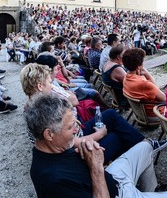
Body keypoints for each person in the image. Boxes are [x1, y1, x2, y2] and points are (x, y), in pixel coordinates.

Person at [27, 94, 167, 198]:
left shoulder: (53, 149)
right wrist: (96, 166)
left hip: (112, 179)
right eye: (71, 127)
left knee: (145, 147)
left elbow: (77, 171)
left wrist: (87, 152)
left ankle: (150, 194)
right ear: (49, 134)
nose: (77, 130)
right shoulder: (52, 181)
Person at [20, 63, 149, 162]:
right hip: (74, 152)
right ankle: (143, 152)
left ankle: (143, 148)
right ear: (39, 86)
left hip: (74, 138)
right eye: (49, 82)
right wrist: (99, 134)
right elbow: (72, 142)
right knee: (118, 136)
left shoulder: (34, 106)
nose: (52, 85)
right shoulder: (45, 111)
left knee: (110, 115)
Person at [122, 48, 165, 118]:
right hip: (154, 115)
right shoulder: (143, 83)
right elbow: (164, 99)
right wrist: (148, 74)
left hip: (140, 114)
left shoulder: (126, 78)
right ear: (139, 66)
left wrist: (145, 74)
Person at [101, 44, 127, 109]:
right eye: (124, 55)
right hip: (125, 100)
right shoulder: (116, 69)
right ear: (118, 57)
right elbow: (131, 84)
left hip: (116, 97)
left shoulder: (107, 63)